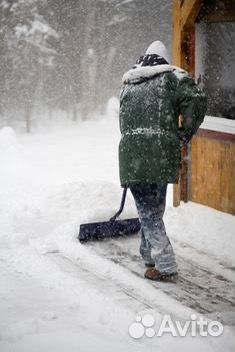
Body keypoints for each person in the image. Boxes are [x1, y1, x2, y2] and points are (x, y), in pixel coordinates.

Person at [118, 41, 207, 283]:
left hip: (133, 154)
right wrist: (184, 132)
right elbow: (197, 99)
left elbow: (124, 122)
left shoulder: (129, 83)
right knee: (153, 208)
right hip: (162, 151)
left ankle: (165, 264)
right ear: (164, 61)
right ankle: (148, 255)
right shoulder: (172, 78)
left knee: (148, 210)